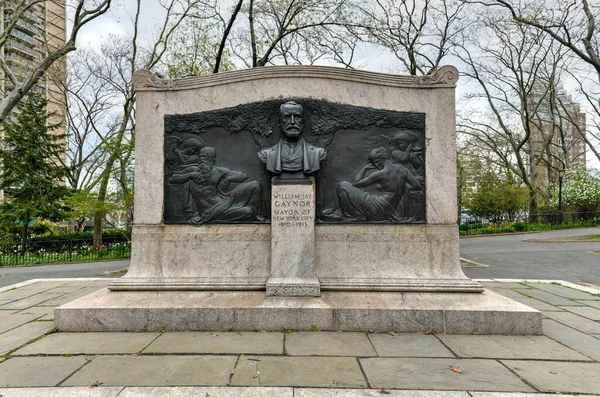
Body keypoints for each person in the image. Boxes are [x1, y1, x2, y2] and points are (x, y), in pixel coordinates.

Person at [169, 147, 263, 224]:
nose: (202, 159)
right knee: (248, 212)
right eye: (200, 156)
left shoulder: (218, 171)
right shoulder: (192, 170)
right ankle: (251, 212)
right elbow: (172, 178)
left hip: (226, 200)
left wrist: (228, 178)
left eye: (205, 157)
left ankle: (256, 213)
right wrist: (189, 175)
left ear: (212, 159)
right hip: (211, 210)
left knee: (255, 185)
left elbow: (243, 175)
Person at [334, 147, 424, 222]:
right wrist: (403, 187)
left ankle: (356, 215)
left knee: (343, 185)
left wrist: (365, 168)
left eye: (374, 161)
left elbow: (356, 183)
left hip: (376, 209)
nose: (374, 165)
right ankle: (359, 215)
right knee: (361, 192)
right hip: (389, 211)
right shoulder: (404, 171)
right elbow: (418, 187)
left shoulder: (380, 174)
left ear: (381, 159)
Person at [258, 101, 326, 179]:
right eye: (287, 117)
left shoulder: (318, 153)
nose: (292, 122)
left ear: (303, 122)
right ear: (279, 123)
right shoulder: (266, 154)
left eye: (297, 117)